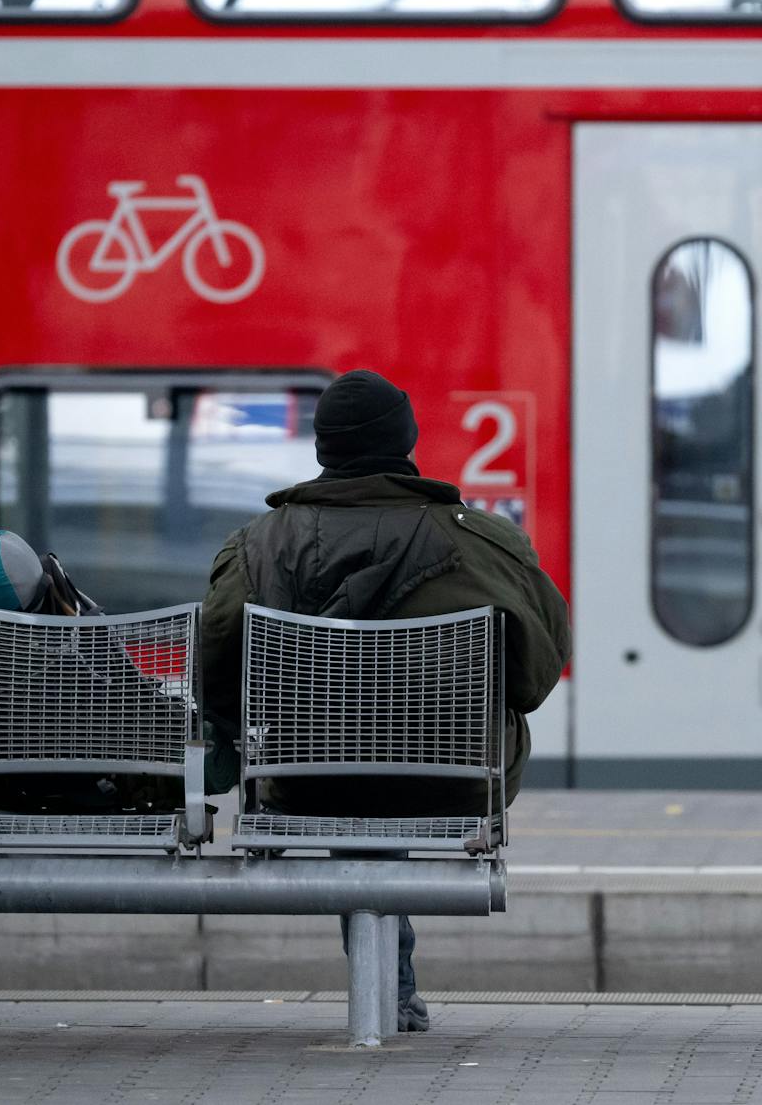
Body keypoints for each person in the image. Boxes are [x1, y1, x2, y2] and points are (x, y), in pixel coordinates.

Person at [201, 369, 571, 1033]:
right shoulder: (487, 542)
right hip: (451, 782)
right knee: (393, 758)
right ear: (407, 442)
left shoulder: (256, 546)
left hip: (303, 781)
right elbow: (535, 677)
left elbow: (217, 678)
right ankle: (392, 992)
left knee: (348, 764)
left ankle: (391, 992)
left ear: (323, 449)